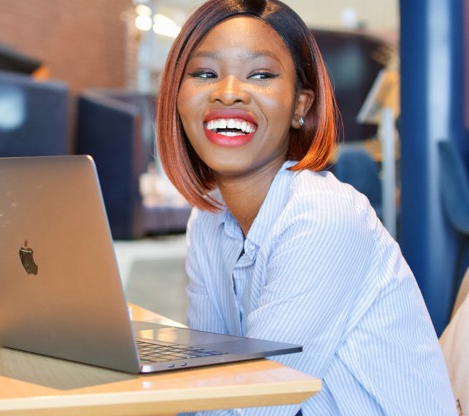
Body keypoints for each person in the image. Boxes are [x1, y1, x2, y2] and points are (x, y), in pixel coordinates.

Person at [155, 0, 457, 414]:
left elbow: (255, 405)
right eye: (205, 73)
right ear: (177, 97)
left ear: (300, 105)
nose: (228, 93)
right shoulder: (207, 218)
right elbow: (208, 378)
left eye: (260, 75)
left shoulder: (323, 216)